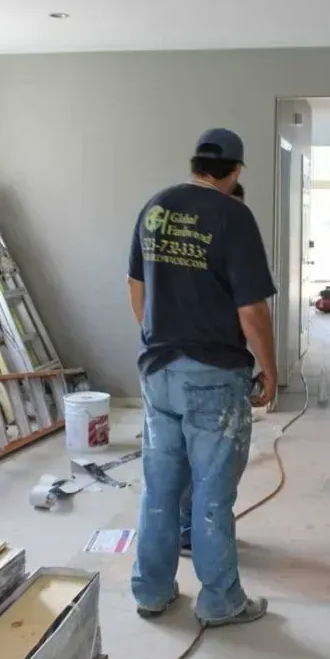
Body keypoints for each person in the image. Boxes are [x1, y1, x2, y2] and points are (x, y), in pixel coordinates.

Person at [127, 128, 277, 627]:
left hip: (158, 372)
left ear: (196, 165)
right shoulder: (233, 215)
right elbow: (251, 309)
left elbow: (136, 286)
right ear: (235, 172)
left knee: (160, 488)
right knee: (212, 494)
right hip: (213, 375)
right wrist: (271, 370)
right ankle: (219, 601)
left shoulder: (156, 207)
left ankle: (151, 592)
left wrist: (161, 338)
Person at [179, 175, 245, 556]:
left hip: (201, 365)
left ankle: (193, 531)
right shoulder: (209, 247)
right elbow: (251, 312)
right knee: (211, 464)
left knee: (193, 461)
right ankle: (195, 535)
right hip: (207, 370)